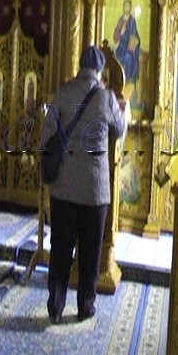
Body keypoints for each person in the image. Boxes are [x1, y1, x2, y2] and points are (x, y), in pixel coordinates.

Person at [44, 46, 128, 324]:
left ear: (80, 66)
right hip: (94, 191)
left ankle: (55, 306)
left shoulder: (64, 92)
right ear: (100, 71)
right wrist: (124, 112)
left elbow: (47, 133)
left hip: (63, 188)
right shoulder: (106, 97)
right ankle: (85, 306)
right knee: (90, 254)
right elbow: (119, 130)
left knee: (60, 249)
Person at [113, 0, 140, 99]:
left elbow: (134, 35)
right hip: (121, 47)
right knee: (117, 58)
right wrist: (120, 30)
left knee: (128, 58)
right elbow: (115, 37)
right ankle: (119, 81)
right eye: (125, 6)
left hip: (129, 48)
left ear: (130, 8)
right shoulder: (121, 20)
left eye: (128, 6)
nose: (126, 8)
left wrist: (131, 44)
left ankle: (127, 80)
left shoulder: (132, 20)